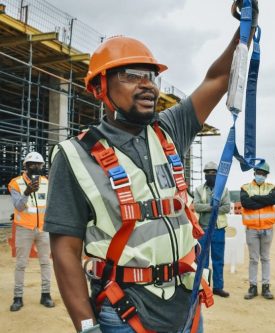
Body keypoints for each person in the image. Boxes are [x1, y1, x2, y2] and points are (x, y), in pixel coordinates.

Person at [44, 2, 259, 331]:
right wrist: (88, 327)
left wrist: (245, 29)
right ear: (101, 87)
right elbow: (65, 250)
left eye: (151, 76)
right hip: (125, 312)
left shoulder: (169, 130)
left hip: (185, 305)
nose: (148, 85)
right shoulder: (74, 156)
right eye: (131, 75)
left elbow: (217, 79)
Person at [8, 151, 55, 312]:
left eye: (39, 164)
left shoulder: (47, 182)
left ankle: (45, 294)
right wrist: (27, 192)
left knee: (45, 263)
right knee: (21, 264)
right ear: (26, 166)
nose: (36, 166)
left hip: (43, 229)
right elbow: (19, 206)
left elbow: (50, 206)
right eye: (33, 164)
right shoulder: (15, 183)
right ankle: (18, 297)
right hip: (24, 230)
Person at [240, 162, 275, 300]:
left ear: (266, 175)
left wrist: (254, 198)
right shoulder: (245, 187)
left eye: (263, 174)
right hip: (252, 229)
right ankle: (253, 287)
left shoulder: (271, 187)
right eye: (259, 173)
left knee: (266, 258)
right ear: (254, 173)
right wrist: (264, 201)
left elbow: (272, 200)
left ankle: (266, 287)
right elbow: (245, 203)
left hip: (267, 228)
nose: (261, 176)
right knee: (254, 259)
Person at [194, 162, 231, 298]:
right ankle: (203, 287)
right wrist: (213, 207)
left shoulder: (224, 190)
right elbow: (196, 206)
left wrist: (210, 208)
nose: (211, 175)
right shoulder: (198, 189)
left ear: (218, 174)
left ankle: (218, 287)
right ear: (204, 174)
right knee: (202, 260)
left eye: (213, 173)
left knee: (218, 259)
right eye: (208, 173)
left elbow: (227, 207)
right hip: (203, 229)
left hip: (218, 229)